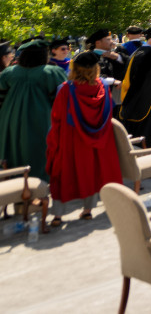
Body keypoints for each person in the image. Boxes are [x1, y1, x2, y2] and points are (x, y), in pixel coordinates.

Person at [45, 51, 121, 226]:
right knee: (92, 171)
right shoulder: (102, 87)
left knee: (64, 171)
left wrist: (53, 139)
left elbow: (57, 116)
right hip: (99, 137)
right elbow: (108, 113)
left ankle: (58, 215)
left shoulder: (65, 89)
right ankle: (87, 211)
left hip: (71, 137)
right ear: (96, 68)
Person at [0, 39, 69, 180]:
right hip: (41, 120)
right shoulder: (51, 72)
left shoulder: (9, 73)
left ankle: (17, 184)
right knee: (39, 152)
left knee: (13, 150)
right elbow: (61, 100)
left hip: (10, 120)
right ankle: (38, 186)